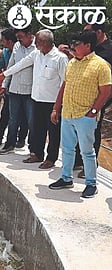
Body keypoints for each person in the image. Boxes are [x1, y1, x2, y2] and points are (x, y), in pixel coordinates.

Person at [49, 30, 111, 198]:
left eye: (77, 44)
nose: (73, 47)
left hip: (85, 117)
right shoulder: (72, 63)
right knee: (67, 149)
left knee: (87, 151)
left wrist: (93, 111)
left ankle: (91, 183)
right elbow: (64, 86)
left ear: (88, 46)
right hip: (68, 114)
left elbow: (106, 91)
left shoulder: (101, 65)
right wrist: (56, 108)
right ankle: (66, 177)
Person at [2, 29, 68, 169]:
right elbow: (21, 64)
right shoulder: (36, 54)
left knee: (53, 132)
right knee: (37, 129)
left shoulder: (60, 58)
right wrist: (5, 75)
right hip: (36, 99)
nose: (35, 43)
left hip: (52, 102)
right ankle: (37, 154)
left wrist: (58, 106)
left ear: (44, 42)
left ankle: (51, 158)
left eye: (37, 41)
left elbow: (65, 83)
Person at [73, 24, 112, 178]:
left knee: (93, 130)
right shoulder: (91, 48)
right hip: (83, 95)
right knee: (78, 128)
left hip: (101, 97)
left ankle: (90, 165)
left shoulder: (108, 51)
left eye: (88, 32)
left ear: (99, 32)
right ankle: (78, 160)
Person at [0, 26, 36, 155]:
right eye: (17, 38)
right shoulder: (16, 47)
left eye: (21, 37)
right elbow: (11, 66)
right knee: (13, 119)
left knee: (31, 120)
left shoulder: (37, 48)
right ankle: (10, 144)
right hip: (14, 89)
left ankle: (33, 149)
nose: (19, 40)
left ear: (29, 34)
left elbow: (24, 65)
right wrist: (5, 84)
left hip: (30, 91)